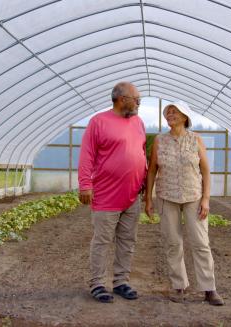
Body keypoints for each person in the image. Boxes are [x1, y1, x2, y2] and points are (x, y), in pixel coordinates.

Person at [145, 101, 224, 305]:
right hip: (166, 195)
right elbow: (152, 169)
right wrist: (148, 198)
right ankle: (179, 286)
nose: (169, 114)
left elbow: (205, 170)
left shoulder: (195, 139)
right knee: (173, 242)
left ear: (185, 117)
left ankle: (209, 288)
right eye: (167, 112)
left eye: (174, 111)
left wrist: (206, 199)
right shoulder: (159, 141)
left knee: (200, 243)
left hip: (193, 196)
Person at [78, 82, 146, 303]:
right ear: (121, 98)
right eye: (136, 98)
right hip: (106, 194)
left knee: (128, 240)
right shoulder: (98, 122)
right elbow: (87, 155)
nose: (139, 102)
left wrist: (143, 178)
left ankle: (121, 281)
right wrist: (85, 185)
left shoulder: (138, 122)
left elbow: (140, 152)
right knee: (102, 241)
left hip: (132, 194)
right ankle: (97, 283)